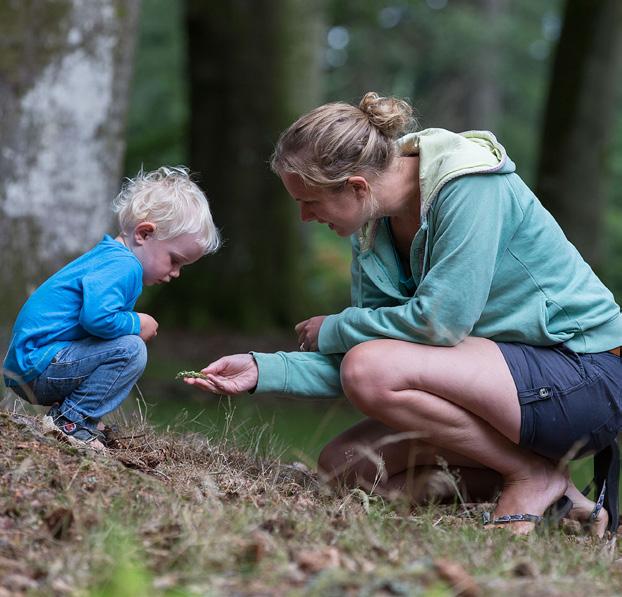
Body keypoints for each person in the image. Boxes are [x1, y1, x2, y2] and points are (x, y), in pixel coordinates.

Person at [184, 93, 622, 537]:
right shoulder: (373, 226)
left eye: (310, 202)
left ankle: (530, 476)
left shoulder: (470, 187)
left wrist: (335, 327)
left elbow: (439, 323)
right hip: (501, 385)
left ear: (357, 187)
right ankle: (562, 499)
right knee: (346, 468)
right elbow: (370, 352)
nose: (303, 217)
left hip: (583, 375)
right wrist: (263, 369)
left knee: (369, 368)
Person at [3, 166, 220, 449]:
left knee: (123, 345)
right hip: (38, 366)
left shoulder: (111, 258)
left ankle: (79, 415)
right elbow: (97, 319)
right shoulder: (123, 265)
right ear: (144, 234)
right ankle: (71, 421)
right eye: (174, 260)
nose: (176, 272)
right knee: (131, 349)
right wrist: (137, 323)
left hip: (32, 364)